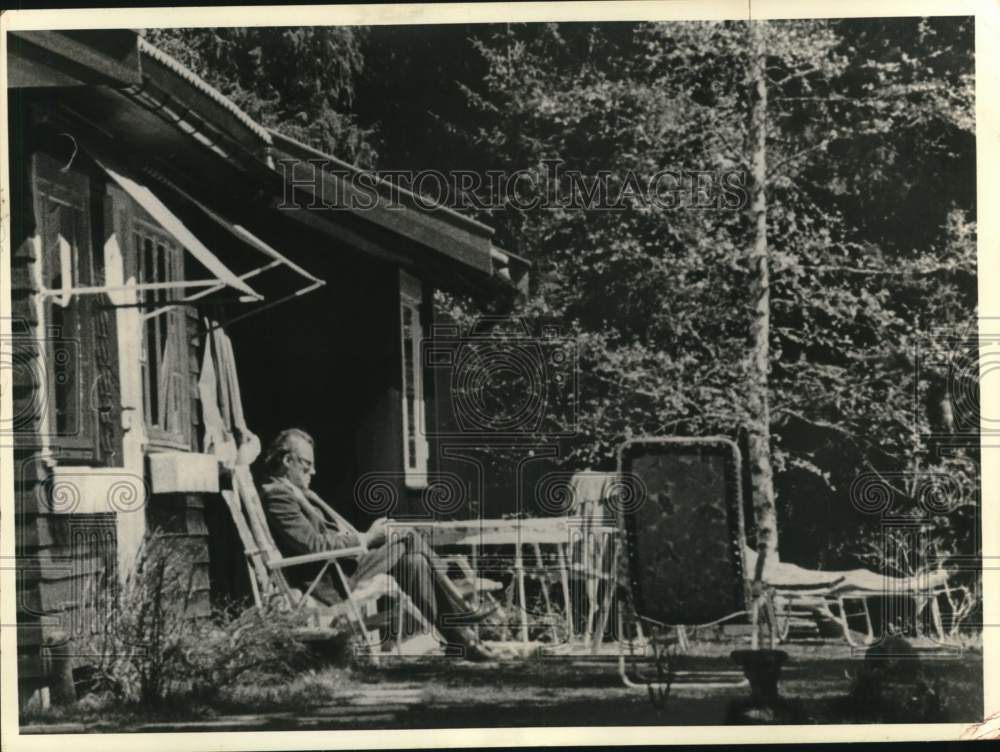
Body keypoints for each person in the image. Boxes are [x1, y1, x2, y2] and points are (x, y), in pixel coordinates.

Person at [258, 428, 495, 661]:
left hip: (342, 565)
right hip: (329, 577)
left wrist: (363, 536)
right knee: (408, 536)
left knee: (413, 563)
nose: (313, 471)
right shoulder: (278, 496)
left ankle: (461, 640)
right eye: (307, 464)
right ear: (288, 460)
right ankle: (458, 602)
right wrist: (368, 538)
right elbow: (313, 545)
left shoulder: (299, 493)